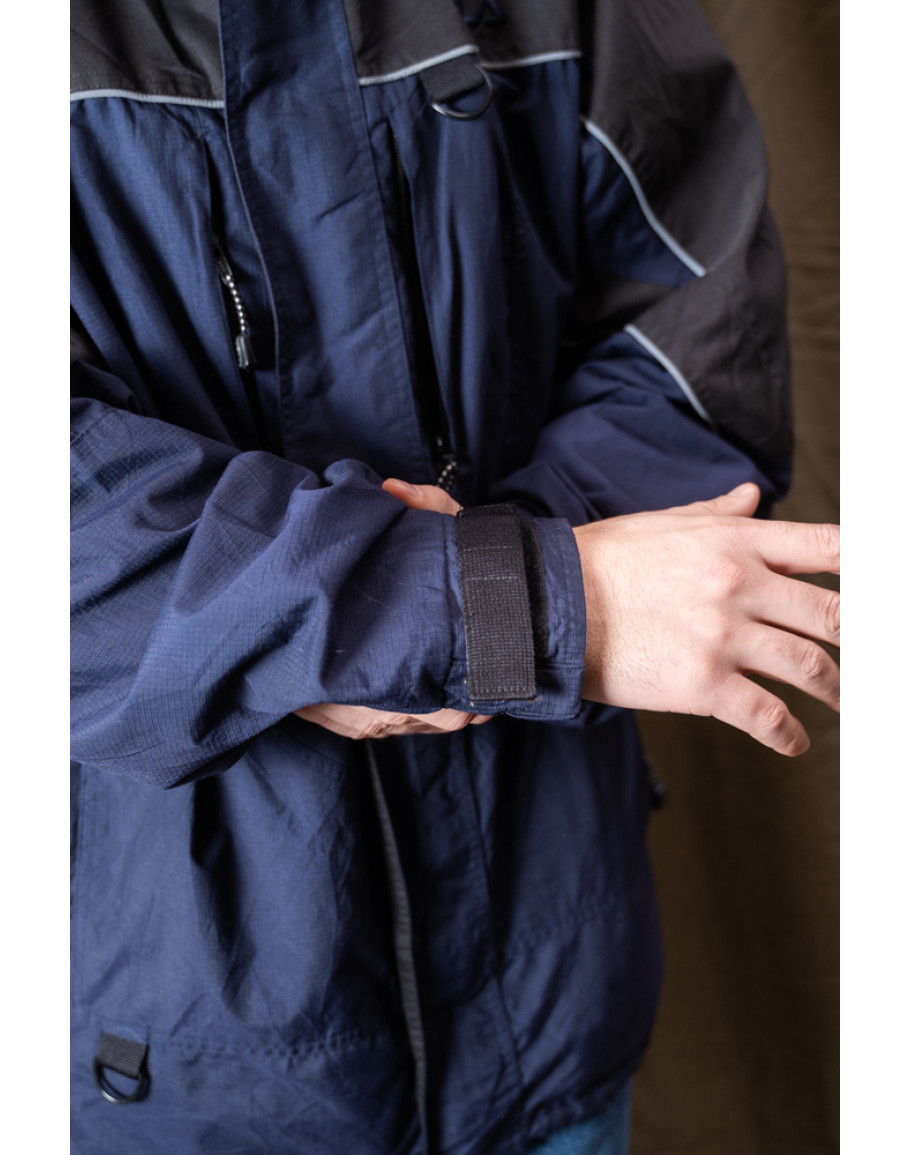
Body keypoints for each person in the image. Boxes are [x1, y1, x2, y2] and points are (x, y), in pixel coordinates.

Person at [70, 1, 839, 1152]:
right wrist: (522, 605)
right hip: (162, 1057)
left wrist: (466, 594)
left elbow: (695, 340)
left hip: (551, 1012)